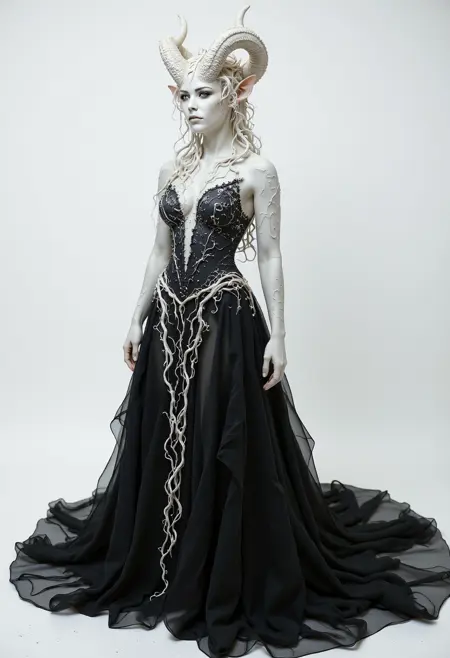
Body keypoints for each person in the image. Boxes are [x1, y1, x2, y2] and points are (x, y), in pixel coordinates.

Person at [9, 6, 450, 658]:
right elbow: (159, 251)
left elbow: (269, 254)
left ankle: (217, 562)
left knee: (221, 431)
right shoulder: (172, 170)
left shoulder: (257, 172)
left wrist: (281, 335)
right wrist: (133, 315)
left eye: (204, 94)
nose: (191, 105)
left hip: (224, 316)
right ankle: (163, 556)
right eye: (183, 95)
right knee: (162, 433)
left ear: (235, 93)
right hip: (169, 315)